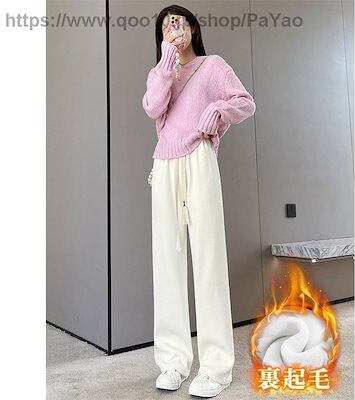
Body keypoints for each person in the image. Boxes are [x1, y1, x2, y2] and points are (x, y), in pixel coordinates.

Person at [142, 4, 256, 398]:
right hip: (164, 163)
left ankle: (216, 368)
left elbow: (245, 101)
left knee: (208, 258)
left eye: (179, 21)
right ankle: (173, 362)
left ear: (192, 27)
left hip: (199, 158)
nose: (174, 28)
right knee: (167, 262)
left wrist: (218, 109)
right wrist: (166, 62)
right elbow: (153, 107)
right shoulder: (160, 74)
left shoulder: (212, 66)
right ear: (162, 36)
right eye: (166, 25)